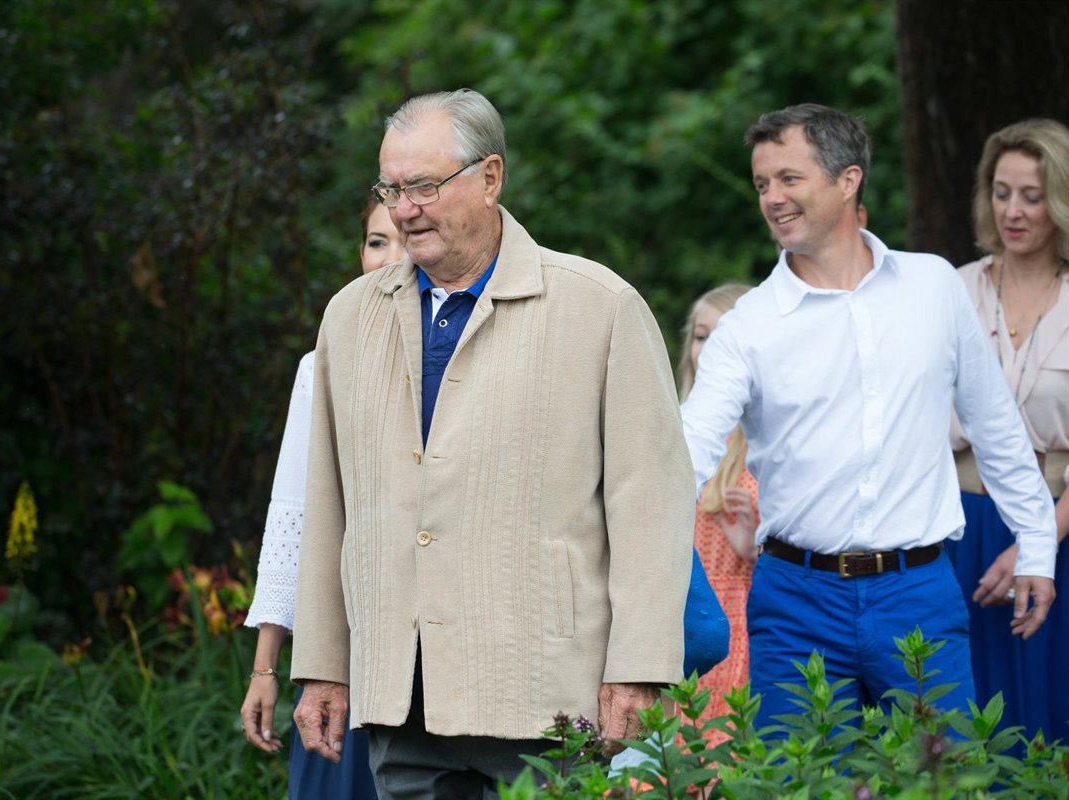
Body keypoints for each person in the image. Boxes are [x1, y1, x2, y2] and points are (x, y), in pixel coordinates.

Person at [289, 88, 696, 799]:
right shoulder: (349, 318)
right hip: (405, 696)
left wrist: (638, 668)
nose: (404, 209)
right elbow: (328, 503)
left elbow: (650, 504)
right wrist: (323, 663)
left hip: (545, 690)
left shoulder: (600, 307)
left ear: (490, 176)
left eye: (423, 186)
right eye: (390, 189)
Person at [681, 103, 1057, 729]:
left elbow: (995, 427)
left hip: (919, 592)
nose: (772, 198)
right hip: (795, 599)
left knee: (946, 770)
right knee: (795, 776)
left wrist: (1037, 547)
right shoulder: (749, 326)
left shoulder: (933, 287)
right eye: (762, 183)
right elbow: (688, 450)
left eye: (790, 178)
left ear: (848, 180)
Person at [239, 196, 404, 799]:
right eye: (377, 242)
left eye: (406, 240)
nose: (391, 258)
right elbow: (294, 515)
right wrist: (266, 667)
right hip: (346, 643)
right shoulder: (323, 365)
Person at [946, 118, 1069, 744]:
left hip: (1058, 525)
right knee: (959, 714)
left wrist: (1036, 544)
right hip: (955, 527)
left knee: (1045, 712)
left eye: (1032, 196)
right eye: (1001, 192)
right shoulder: (952, 289)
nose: (1012, 211)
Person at [677, 284, 757, 744]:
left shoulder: (766, 438)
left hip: (744, 617)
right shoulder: (676, 426)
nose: (708, 351)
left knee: (727, 748)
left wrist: (753, 546)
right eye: (701, 336)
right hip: (682, 609)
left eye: (722, 337)